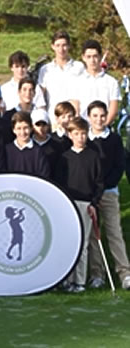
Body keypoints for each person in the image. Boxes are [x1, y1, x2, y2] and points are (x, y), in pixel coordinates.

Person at [84, 101, 130, 290]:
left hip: (109, 191)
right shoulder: (84, 139)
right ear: (89, 117)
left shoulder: (114, 140)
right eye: (95, 116)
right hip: (90, 193)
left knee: (114, 232)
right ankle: (97, 274)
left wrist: (104, 187)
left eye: (102, 115)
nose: (99, 119)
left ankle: (125, 273)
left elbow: (119, 167)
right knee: (95, 235)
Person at [53, 117, 102, 293]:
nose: (80, 137)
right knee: (69, 242)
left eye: (83, 134)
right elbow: (59, 182)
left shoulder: (93, 157)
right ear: (69, 135)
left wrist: (94, 203)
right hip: (68, 203)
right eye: (76, 134)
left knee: (83, 244)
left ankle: (79, 281)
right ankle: (66, 279)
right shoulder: (64, 158)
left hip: (86, 204)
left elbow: (99, 183)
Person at [37, 30, 84, 113]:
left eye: (64, 45)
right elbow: (41, 95)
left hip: (74, 117)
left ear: (69, 46)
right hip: (53, 118)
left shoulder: (79, 67)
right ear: (52, 46)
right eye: (58, 45)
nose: (61, 49)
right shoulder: (45, 69)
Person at [79, 40, 119, 124]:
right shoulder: (77, 80)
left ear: (100, 56)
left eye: (95, 56)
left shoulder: (111, 81)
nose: (92, 60)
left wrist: (103, 127)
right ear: (83, 57)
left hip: (104, 127)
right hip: (83, 130)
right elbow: (75, 106)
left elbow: (113, 108)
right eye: (88, 57)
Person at [5, 111, 51, 181]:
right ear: (13, 130)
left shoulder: (38, 152)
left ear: (31, 128)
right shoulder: (7, 150)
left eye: (25, 128)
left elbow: (44, 177)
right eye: (19, 128)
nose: (22, 132)